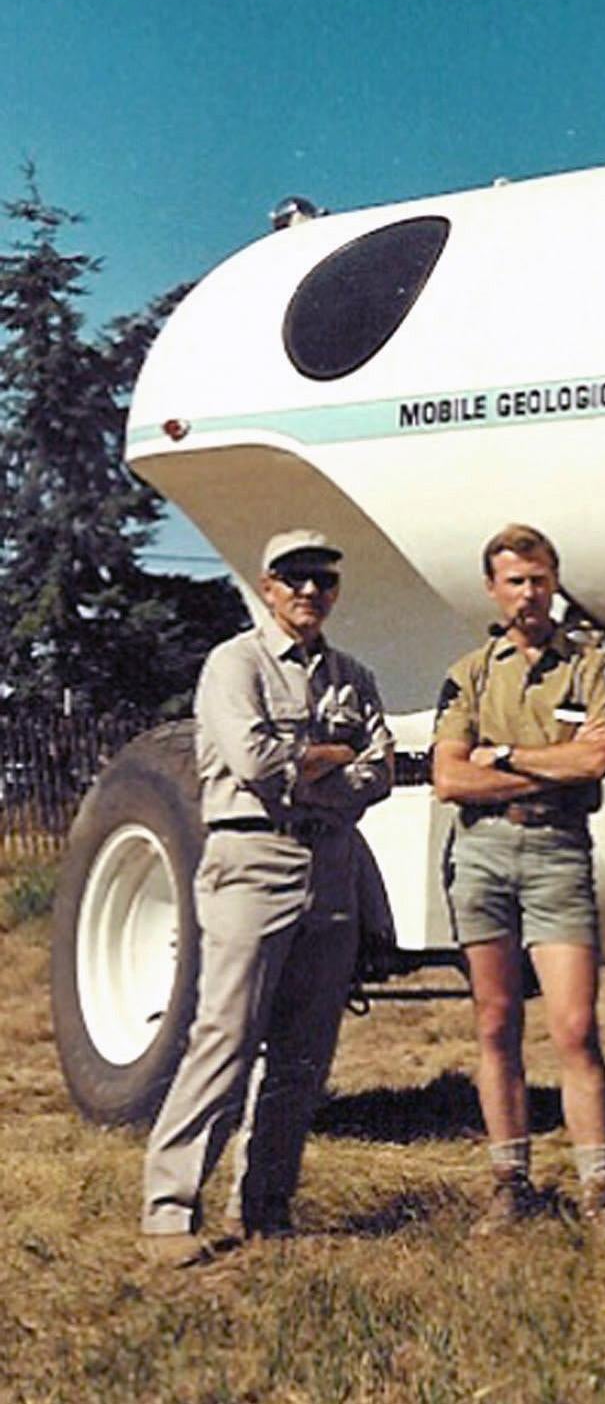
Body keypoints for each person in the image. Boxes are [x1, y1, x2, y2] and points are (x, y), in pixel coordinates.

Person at [140, 529, 394, 1265]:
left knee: (305, 1053)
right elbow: (255, 763)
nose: (309, 591)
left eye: (323, 578)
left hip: (333, 863)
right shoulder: (234, 665)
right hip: (254, 858)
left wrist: (324, 770)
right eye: (294, 578)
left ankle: (266, 1206)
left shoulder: (353, 675)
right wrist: (336, 760)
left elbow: (380, 774)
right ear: (267, 585)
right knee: (226, 1037)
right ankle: (168, 1210)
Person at [431, 524, 605, 1232]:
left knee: (575, 1028)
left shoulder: (587, 667)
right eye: (515, 581)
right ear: (493, 589)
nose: (529, 593)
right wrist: (535, 766)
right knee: (495, 1023)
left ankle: (600, 1187)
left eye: (540, 579)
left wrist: (505, 755)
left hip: (557, 854)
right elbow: (449, 777)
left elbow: (594, 763)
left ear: (555, 583)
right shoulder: (470, 673)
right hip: (484, 856)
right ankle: (508, 1180)